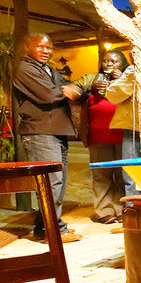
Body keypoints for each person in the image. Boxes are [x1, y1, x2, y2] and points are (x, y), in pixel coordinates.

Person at [13, 33, 83, 242]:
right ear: (27, 47)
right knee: (51, 183)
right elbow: (50, 95)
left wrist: (74, 88)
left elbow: (70, 88)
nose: (46, 51)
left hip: (56, 131)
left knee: (57, 182)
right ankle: (53, 231)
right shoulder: (24, 68)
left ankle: (48, 227)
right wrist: (68, 89)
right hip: (40, 132)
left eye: (49, 48)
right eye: (41, 47)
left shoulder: (48, 70)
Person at [74, 50, 129, 224]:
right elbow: (76, 91)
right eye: (106, 61)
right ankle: (104, 211)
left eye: (114, 61)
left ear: (123, 64)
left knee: (122, 175)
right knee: (101, 175)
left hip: (123, 135)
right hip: (98, 136)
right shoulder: (93, 79)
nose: (109, 64)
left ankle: (122, 210)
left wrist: (121, 80)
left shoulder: (127, 79)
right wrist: (91, 88)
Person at [105, 62, 141, 196]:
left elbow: (113, 94)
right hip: (139, 127)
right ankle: (136, 208)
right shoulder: (133, 71)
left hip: (137, 128)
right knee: (134, 172)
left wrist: (121, 81)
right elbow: (115, 95)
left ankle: (134, 210)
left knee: (132, 172)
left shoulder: (133, 71)